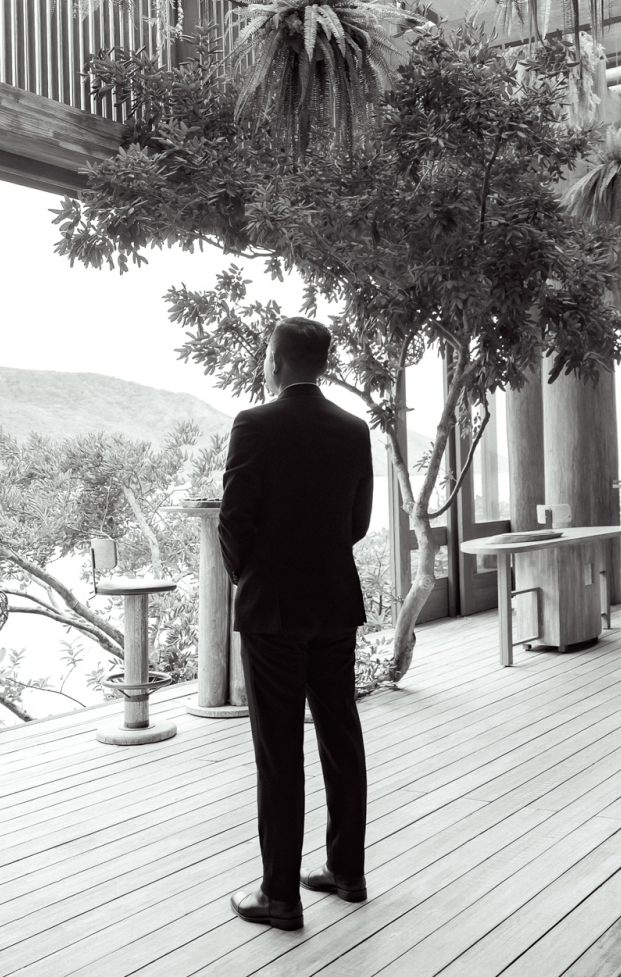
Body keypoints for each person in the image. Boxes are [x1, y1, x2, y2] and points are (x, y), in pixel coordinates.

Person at [221, 317, 374, 931]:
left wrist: (247, 576)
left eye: (267, 354)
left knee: (279, 749)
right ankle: (347, 872)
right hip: (335, 601)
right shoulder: (354, 429)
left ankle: (280, 896)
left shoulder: (253, 423)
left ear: (277, 362)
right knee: (341, 735)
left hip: (274, 610)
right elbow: (358, 521)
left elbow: (235, 519)